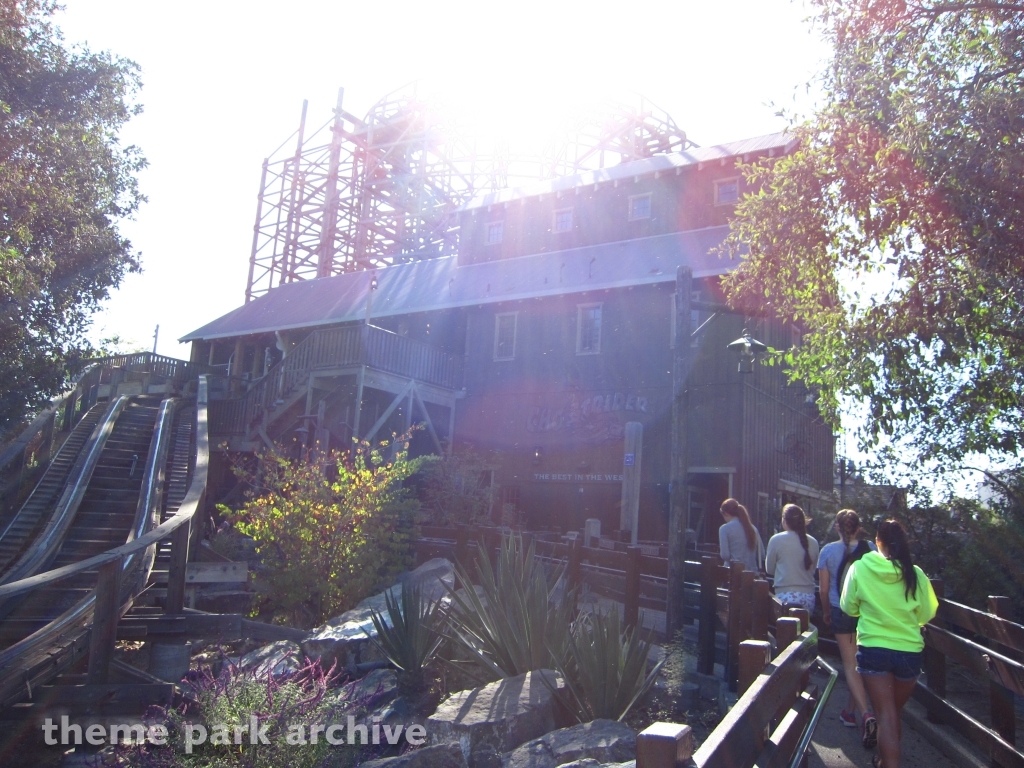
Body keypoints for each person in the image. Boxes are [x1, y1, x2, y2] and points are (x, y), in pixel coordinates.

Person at [841, 519, 938, 768]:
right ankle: (885, 761)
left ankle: (889, 763)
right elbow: (927, 613)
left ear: (877, 541)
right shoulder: (914, 574)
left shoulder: (860, 568)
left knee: (886, 715)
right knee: (892, 713)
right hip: (909, 653)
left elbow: (848, 607)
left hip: (874, 649)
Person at [818, 509, 877, 747]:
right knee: (860, 663)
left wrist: (826, 611)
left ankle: (865, 714)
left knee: (850, 665)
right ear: (859, 527)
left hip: (840, 609)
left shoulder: (828, 551)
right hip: (866, 611)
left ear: (837, 528)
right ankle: (850, 711)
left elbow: (823, 588)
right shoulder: (871, 548)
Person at [765, 504, 820, 614]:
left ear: (784, 520)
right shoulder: (813, 542)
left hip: (785, 596)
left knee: (784, 629)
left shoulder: (776, 539)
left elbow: (769, 570)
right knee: (805, 629)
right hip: (808, 597)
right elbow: (813, 568)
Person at [718, 498, 764, 573]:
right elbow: (762, 554)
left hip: (733, 573)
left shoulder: (724, 529)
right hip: (751, 574)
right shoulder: (753, 528)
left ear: (726, 514)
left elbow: (725, 555)